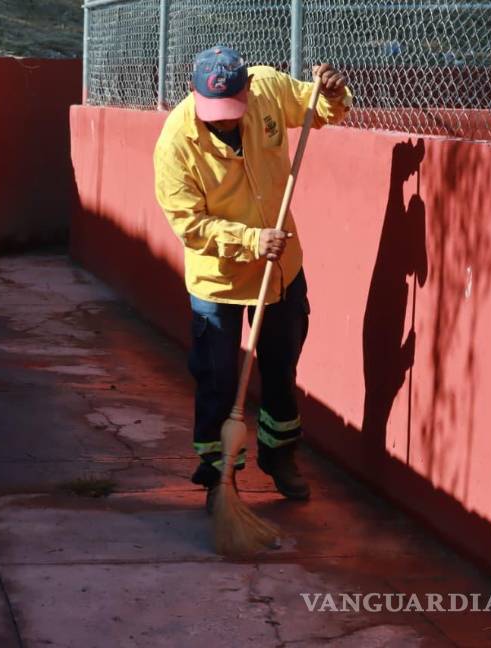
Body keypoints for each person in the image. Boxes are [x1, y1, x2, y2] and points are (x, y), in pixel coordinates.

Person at [153, 46, 352, 505]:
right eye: (215, 115)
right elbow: (189, 224)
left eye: (232, 111)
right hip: (218, 280)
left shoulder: (269, 89)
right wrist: (249, 240)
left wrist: (330, 95)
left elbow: (318, 110)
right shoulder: (176, 143)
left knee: (281, 368)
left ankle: (279, 455)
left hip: (280, 269)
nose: (224, 123)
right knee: (217, 377)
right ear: (194, 94)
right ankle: (218, 473)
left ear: (248, 90)